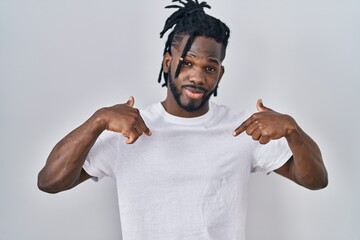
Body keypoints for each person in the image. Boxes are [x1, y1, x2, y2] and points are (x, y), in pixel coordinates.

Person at [38, 0, 328, 239]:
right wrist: (98, 120)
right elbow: (50, 182)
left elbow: (315, 180)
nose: (197, 76)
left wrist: (292, 129)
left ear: (220, 75)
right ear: (168, 62)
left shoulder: (242, 130)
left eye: (209, 68)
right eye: (187, 62)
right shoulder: (129, 129)